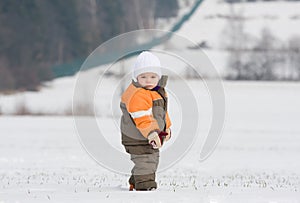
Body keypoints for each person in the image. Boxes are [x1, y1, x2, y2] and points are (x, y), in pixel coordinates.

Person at [120, 51, 172, 191]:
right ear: (136, 77)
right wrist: (152, 133)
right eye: (143, 77)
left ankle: (137, 180)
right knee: (146, 160)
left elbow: (162, 113)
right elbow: (142, 118)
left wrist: (166, 128)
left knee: (151, 159)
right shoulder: (137, 94)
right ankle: (145, 186)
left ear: (158, 77)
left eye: (153, 76)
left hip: (150, 135)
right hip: (137, 137)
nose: (148, 80)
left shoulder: (157, 91)